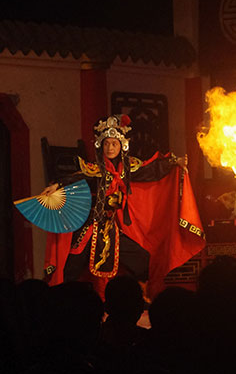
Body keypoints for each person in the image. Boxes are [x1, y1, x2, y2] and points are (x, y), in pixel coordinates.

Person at [41, 114, 204, 298]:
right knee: (71, 268)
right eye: (107, 144)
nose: (110, 148)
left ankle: (141, 296)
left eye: (114, 144)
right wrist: (57, 185)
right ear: (101, 146)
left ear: (122, 146)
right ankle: (58, 300)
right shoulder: (94, 170)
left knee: (142, 260)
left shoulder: (128, 169)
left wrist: (174, 162)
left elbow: (151, 171)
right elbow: (75, 178)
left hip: (113, 229)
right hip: (90, 228)